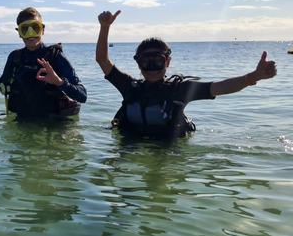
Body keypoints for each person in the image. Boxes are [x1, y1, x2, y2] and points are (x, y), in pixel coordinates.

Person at [96, 10, 277, 142]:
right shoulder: (130, 87)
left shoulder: (179, 90)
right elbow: (103, 61)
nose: (151, 67)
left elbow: (220, 87)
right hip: (131, 143)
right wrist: (104, 28)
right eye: (145, 61)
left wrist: (252, 77)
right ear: (138, 63)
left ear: (167, 62)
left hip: (167, 150)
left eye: (158, 61)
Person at [0, 7, 87, 118]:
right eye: (25, 29)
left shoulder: (56, 57)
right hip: (23, 123)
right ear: (19, 33)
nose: (30, 34)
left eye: (35, 28)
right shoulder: (15, 58)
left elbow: (83, 96)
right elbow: (1, 82)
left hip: (54, 127)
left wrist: (59, 82)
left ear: (43, 30)